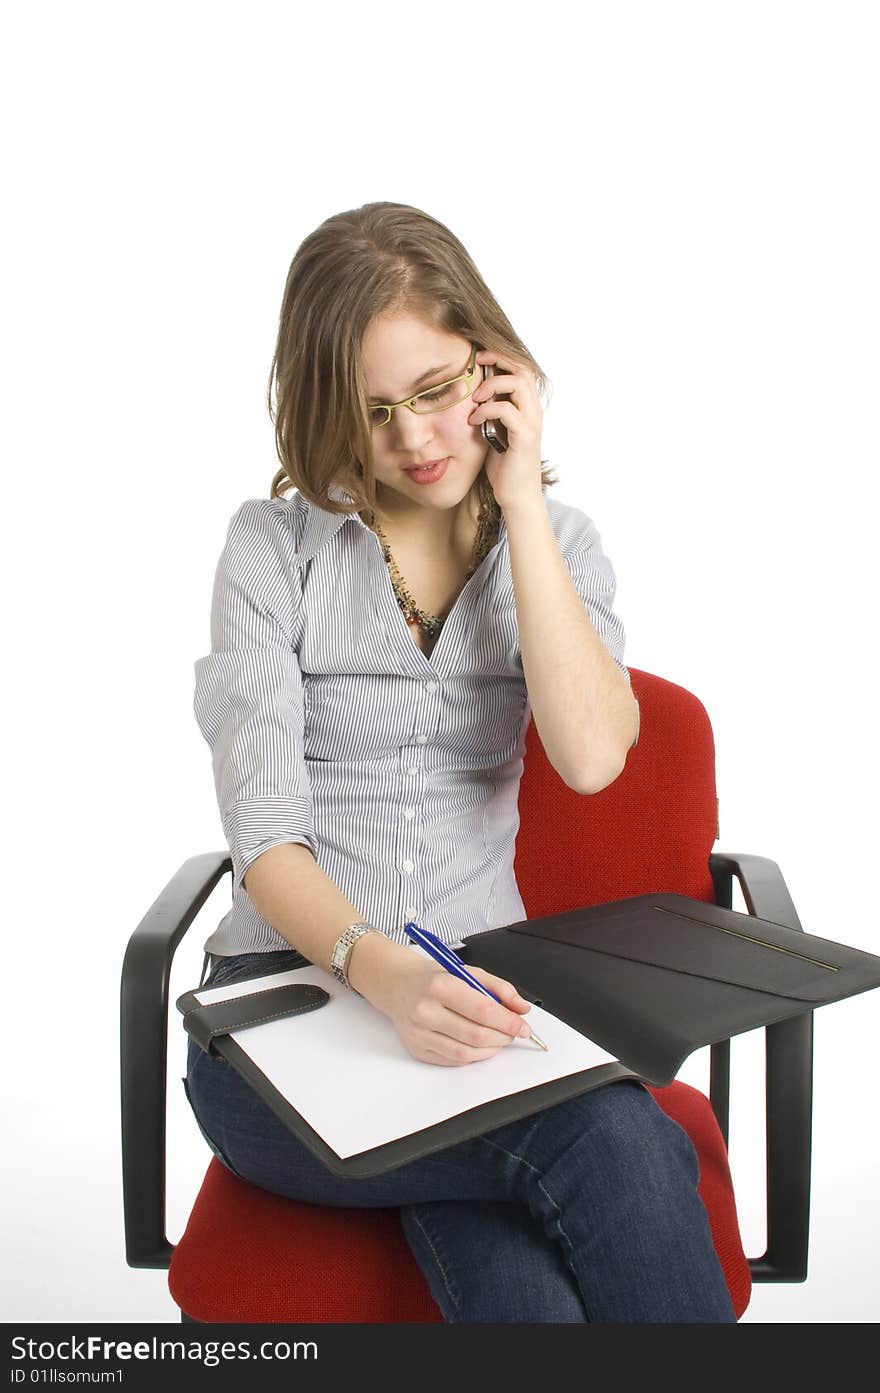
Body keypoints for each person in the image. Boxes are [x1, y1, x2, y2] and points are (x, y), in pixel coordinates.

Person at [185, 200, 736, 1323]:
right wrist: (389, 979)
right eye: (372, 411)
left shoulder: (557, 543)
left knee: (526, 1300)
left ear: (491, 364)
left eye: (435, 390)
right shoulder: (271, 549)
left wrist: (519, 499)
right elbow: (266, 842)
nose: (415, 441)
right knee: (621, 1145)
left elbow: (589, 756)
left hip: (481, 1010)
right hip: (281, 1019)